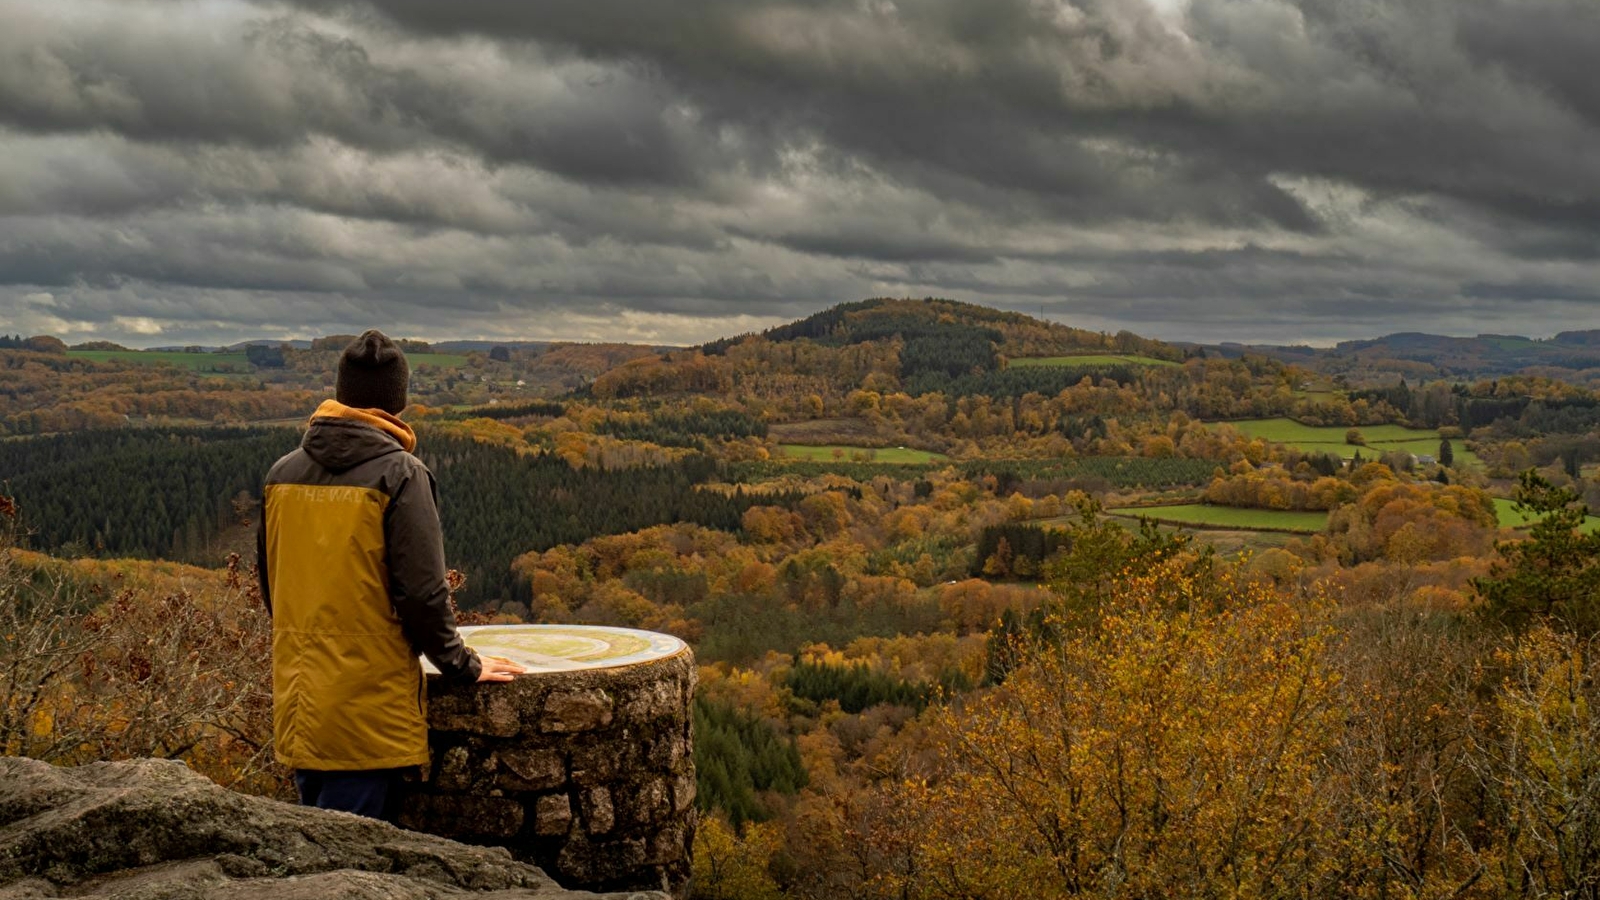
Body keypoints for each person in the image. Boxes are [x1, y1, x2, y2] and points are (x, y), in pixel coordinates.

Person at [256, 330, 524, 820]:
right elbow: (422, 593)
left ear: (341, 394)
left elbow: (274, 585)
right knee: (355, 867)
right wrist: (461, 665)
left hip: (300, 698)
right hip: (367, 706)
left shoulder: (281, 474)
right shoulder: (400, 474)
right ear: (397, 402)